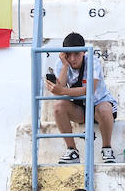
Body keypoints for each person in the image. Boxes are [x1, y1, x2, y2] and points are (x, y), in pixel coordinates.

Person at [48, 31, 117, 165]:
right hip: (80, 109)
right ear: (63, 54)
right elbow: (59, 91)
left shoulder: (93, 61)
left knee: (103, 108)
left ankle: (107, 149)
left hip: (100, 106)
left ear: (83, 52)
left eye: (76, 54)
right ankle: (72, 150)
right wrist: (65, 66)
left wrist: (62, 90)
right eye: (69, 54)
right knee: (58, 106)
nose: (72, 58)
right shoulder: (61, 64)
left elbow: (90, 90)